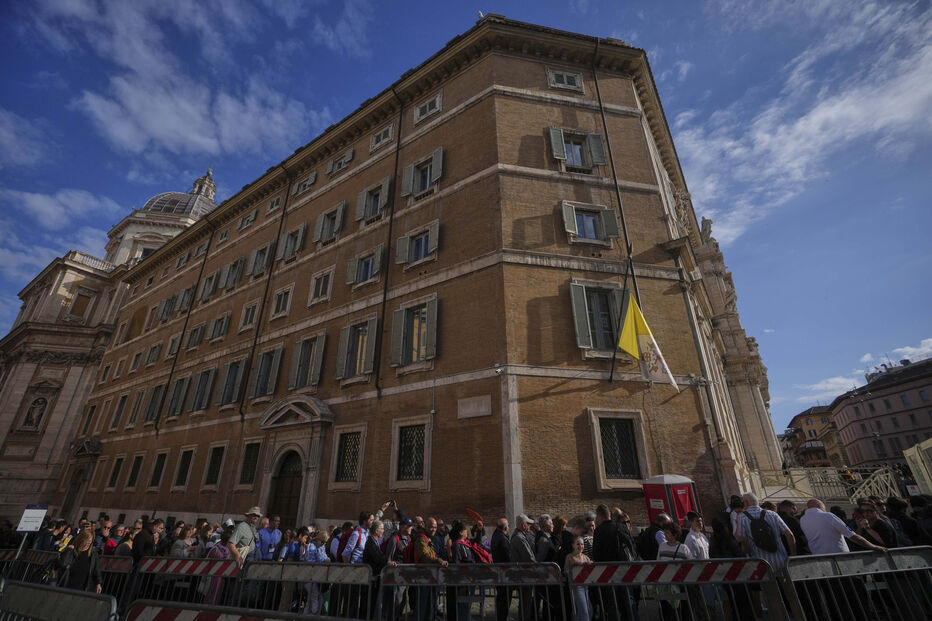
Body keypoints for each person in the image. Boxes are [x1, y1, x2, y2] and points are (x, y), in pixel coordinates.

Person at [735, 492, 795, 571]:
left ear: (746, 502)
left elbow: (740, 538)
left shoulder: (742, 517)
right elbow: (789, 535)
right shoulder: (773, 514)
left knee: (767, 583)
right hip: (781, 560)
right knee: (785, 582)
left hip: (761, 562)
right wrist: (793, 555)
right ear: (757, 502)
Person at [800, 499, 886, 554]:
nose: (825, 510)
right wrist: (873, 546)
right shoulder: (828, 516)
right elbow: (852, 536)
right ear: (819, 506)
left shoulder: (802, 520)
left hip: (819, 557)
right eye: (824, 507)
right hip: (839, 556)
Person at [413, 517, 448, 621]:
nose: (434, 529)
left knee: (430, 605)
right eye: (431, 527)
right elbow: (425, 555)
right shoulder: (421, 538)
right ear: (426, 527)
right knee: (422, 606)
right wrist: (439, 561)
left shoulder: (429, 538)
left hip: (430, 576)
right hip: (423, 576)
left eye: (435, 527)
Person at [565, 536, 593, 621]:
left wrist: (591, 565)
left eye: (582, 544)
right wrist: (575, 569)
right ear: (573, 545)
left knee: (588, 610)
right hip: (576, 586)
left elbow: (591, 572)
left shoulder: (586, 557)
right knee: (584, 611)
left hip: (586, 586)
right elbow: (565, 570)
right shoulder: (569, 557)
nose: (580, 546)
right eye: (578, 544)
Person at [491, 518, 512, 621]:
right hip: (504, 572)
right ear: (505, 528)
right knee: (504, 598)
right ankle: (502, 618)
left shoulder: (496, 536)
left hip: (499, 571)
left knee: (501, 597)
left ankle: (502, 617)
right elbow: (507, 556)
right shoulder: (503, 539)